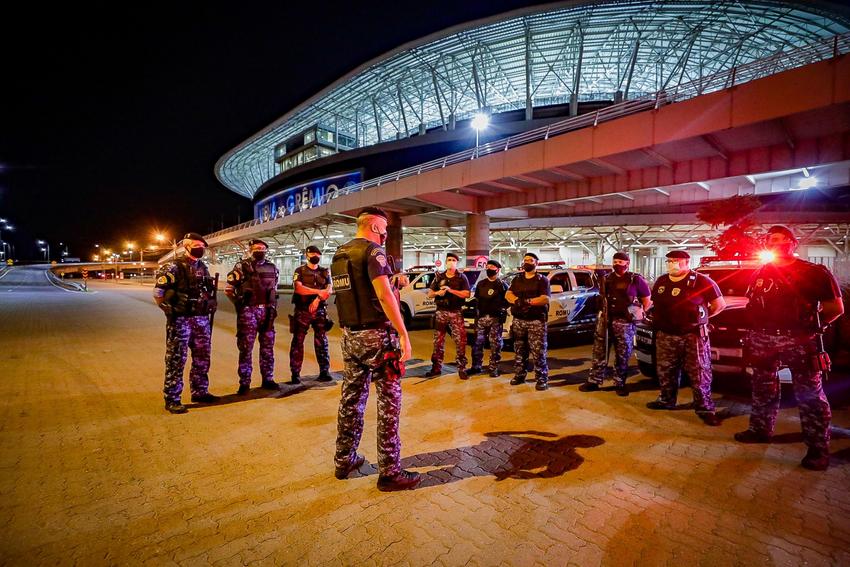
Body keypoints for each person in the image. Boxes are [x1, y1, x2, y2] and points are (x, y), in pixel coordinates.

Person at [735, 225, 844, 471]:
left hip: (800, 340)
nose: (776, 243)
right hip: (763, 338)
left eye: (781, 240)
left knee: (810, 395)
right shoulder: (762, 271)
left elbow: (835, 309)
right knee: (762, 387)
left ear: (792, 243)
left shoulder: (814, 272)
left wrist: (813, 330)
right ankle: (760, 430)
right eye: (771, 240)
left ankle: (818, 449)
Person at [330, 206, 421, 491]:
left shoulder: (339, 255)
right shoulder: (373, 253)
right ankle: (390, 472)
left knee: (351, 400)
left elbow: (360, 290)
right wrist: (403, 333)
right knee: (388, 404)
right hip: (378, 337)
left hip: (350, 337)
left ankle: (344, 459)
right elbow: (382, 295)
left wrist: (393, 280)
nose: (386, 234)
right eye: (384, 228)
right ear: (374, 227)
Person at [646, 250, 726, 425]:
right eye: (669, 261)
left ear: (686, 262)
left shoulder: (702, 281)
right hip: (666, 335)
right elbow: (655, 304)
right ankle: (666, 400)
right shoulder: (662, 281)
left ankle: (705, 408)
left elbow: (719, 305)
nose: (671, 263)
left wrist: (701, 319)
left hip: (693, 335)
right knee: (666, 371)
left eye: (675, 260)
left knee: (699, 373)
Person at [152, 233, 220, 414]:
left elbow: (206, 290)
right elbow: (158, 292)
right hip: (181, 319)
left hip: (201, 319)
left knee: (202, 358)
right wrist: (169, 311)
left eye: (202, 246)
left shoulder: (202, 267)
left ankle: (200, 391)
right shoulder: (174, 266)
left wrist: (211, 302)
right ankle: (172, 398)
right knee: (176, 359)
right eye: (197, 245)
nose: (201, 249)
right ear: (187, 246)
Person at [579, 252, 651, 396]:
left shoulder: (635, 279)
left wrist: (637, 314)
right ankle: (594, 380)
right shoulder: (606, 279)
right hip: (605, 319)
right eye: (615, 261)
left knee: (622, 353)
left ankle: (619, 382)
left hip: (624, 322)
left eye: (620, 262)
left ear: (627, 263)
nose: (617, 264)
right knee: (599, 351)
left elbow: (646, 300)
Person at [225, 238, 280, 394]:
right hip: (249, 311)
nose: (260, 250)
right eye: (256, 248)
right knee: (246, 349)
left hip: (267, 311)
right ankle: (244, 383)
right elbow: (229, 290)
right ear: (250, 249)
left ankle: (268, 379)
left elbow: (274, 289)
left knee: (268, 348)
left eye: (262, 248)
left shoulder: (272, 267)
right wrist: (238, 304)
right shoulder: (241, 267)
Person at [505, 253, 551, 390]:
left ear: (536, 263)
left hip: (536, 321)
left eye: (530, 260)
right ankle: (519, 375)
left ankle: (542, 378)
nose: (527, 262)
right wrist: (517, 301)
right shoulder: (517, 279)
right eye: (525, 260)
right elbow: (508, 294)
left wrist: (528, 302)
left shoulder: (542, 280)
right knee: (519, 350)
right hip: (519, 320)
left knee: (538, 352)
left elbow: (545, 298)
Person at [289, 245, 333, 384]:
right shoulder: (300, 270)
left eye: (318, 254)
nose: (316, 256)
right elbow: (299, 288)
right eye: (313, 253)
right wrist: (318, 292)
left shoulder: (325, 272)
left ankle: (324, 371)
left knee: (322, 341)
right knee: (298, 341)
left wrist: (317, 299)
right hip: (302, 310)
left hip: (319, 310)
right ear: (307, 255)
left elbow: (329, 290)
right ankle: (295, 373)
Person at [424, 252, 471, 380]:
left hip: (456, 312)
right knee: (438, 342)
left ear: (457, 262)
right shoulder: (439, 277)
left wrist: (451, 290)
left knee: (460, 341)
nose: (451, 261)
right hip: (441, 311)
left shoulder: (462, 278)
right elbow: (430, 294)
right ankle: (436, 368)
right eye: (449, 259)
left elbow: (467, 294)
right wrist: (438, 293)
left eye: (453, 260)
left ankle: (462, 368)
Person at [469, 259, 508, 377]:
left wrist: (502, 310)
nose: (489, 269)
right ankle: (476, 366)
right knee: (477, 343)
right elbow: (477, 299)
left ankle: (493, 368)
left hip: (495, 319)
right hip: (481, 318)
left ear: (498, 270)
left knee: (495, 344)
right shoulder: (481, 284)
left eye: (492, 267)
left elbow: (508, 301)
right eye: (488, 266)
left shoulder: (502, 285)